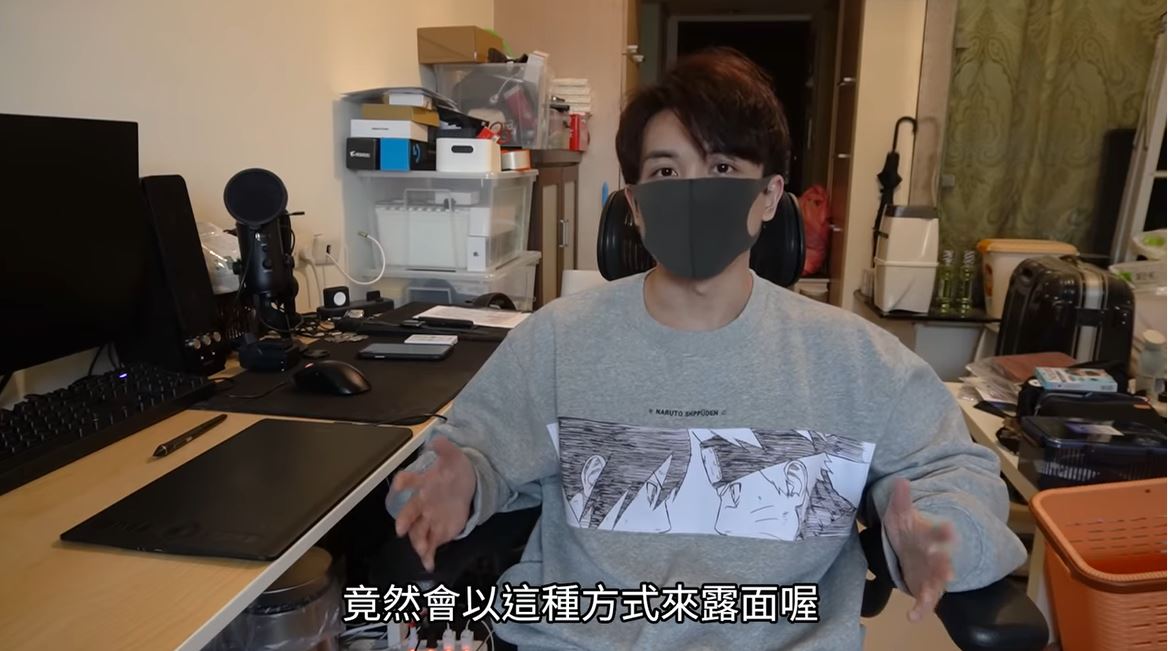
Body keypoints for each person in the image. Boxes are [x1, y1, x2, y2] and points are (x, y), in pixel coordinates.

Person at [387, 48, 1027, 650]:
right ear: (635, 205)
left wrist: (942, 537)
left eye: (722, 168)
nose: (692, 191)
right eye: (666, 172)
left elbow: (948, 474)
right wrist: (456, 488)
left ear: (769, 197)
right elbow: (462, 459)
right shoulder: (557, 342)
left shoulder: (857, 361)